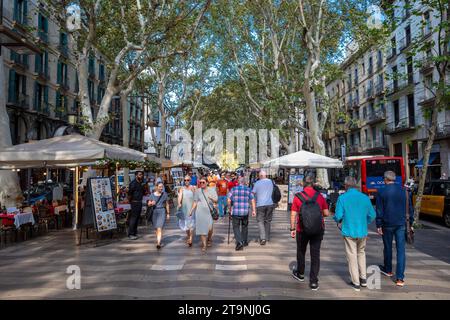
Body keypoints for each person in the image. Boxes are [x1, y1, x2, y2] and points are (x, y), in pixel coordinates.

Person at [333, 176, 376, 291]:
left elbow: (338, 216)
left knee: (352, 255)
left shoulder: (343, 198)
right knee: (361, 253)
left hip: (349, 230)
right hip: (362, 230)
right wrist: (365, 222)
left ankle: (356, 282)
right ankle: (363, 279)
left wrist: (338, 221)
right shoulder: (365, 198)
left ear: (346, 186)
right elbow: (372, 215)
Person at [290, 175, 330, 291]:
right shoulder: (320, 196)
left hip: (302, 230)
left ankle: (301, 274)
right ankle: (313, 281)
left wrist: (292, 229)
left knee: (301, 251)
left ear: (303, 183)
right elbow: (326, 213)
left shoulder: (298, 197)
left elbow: (293, 214)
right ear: (313, 184)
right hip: (318, 229)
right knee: (315, 254)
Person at [376, 170, 414, 287]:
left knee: (387, 247)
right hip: (402, 223)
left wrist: (378, 225)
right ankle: (400, 278)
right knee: (401, 250)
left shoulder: (381, 192)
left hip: (387, 224)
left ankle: (388, 270)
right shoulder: (405, 191)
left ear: (385, 179)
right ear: (394, 179)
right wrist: (411, 223)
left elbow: (379, 210)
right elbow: (410, 209)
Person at [227, 176, 256, 251]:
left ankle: (239, 242)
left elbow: (228, 200)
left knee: (236, 227)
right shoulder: (248, 189)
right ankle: (244, 241)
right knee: (244, 226)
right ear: (244, 182)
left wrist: (229, 209)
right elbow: (252, 200)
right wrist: (254, 210)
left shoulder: (233, 189)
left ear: (238, 182)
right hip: (245, 212)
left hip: (236, 212)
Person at [190, 177, 218, 252]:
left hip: (209, 211)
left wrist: (211, 199)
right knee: (202, 229)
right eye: (200, 182)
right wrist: (191, 210)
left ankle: (209, 238)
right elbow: (195, 202)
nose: (201, 184)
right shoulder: (197, 191)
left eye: (203, 182)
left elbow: (216, 200)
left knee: (209, 228)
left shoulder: (212, 190)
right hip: (199, 212)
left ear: (207, 183)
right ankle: (204, 245)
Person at [252, 170, 274, 245]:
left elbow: (253, 193)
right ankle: (267, 237)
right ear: (265, 175)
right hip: (270, 204)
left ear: (260, 176)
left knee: (260, 221)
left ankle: (263, 238)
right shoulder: (270, 181)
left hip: (260, 205)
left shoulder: (257, 183)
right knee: (267, 221)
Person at [147, 182, 170, 249]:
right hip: (154, 211)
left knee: (159, 228)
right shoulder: (152, 195)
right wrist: (151, 203)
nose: (161, 188)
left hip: (162, 211)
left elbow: (167, 204)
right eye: (160, 187)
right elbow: (148, 203)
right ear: (156, 187)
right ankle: (158, 239)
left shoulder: (164, 194)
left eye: (162, 187)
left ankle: (158, 243)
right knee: (156, 228)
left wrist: (168, 213)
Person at [177, 175, 196, 247]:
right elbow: (180, 197)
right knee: (186, 224)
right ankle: (188, 236)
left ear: (190, 180)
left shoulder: (193, 188)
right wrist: (179, 203)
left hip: (191, 208)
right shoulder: (182, 188)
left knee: (191, 224)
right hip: (184, 208)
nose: (186, 181)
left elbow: (196, 198)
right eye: (185, 180)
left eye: (188, 180)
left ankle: (190, 238)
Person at [127, 170, 145, 240]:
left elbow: (143, 192)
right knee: (133, 218)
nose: (141, 176)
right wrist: (130, 201)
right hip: (134, 202)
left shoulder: (141, 183)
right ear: (136, 175)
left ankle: (134, 232)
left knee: (137, 218)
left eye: (141, 175)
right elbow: (129, 194)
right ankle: (131, 234)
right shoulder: (133, 183)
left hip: (139, 202)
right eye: (140, 175)